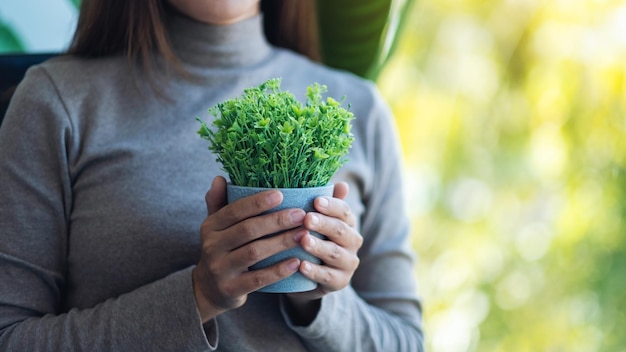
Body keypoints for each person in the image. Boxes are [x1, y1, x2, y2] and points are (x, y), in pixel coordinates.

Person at [0, 0, 424, 351]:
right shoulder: (58, 101)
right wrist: (198, 295)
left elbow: (406, 341)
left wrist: (314, 292)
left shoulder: (359, 109)